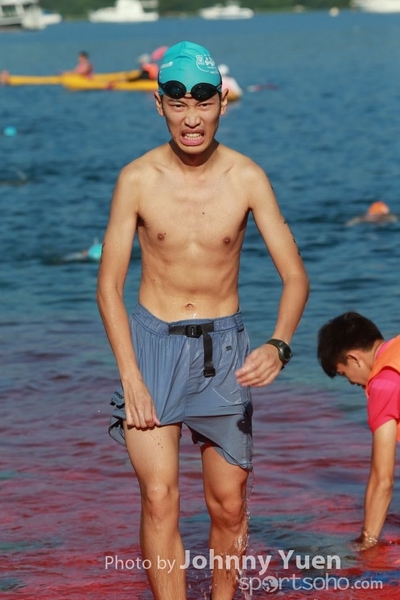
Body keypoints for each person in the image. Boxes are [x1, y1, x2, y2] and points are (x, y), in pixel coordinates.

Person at [97, 40, 309, 600]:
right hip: (152, 350)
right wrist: (130, 376)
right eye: (177, 103)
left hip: (225, 352)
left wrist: (280, 344)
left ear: (221, 102)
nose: (191, 118)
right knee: (159, 498)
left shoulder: (247, 177)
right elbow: (108, 286)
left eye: (203, 103)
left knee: (229, 505)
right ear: (160, 105)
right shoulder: (136, 179)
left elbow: (295, 277)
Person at [317, 312, 400, 552]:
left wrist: (367, 542)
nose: (352, 382)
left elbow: (382, 479)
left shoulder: (384, 383)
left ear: (354, 358)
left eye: (344, 374)